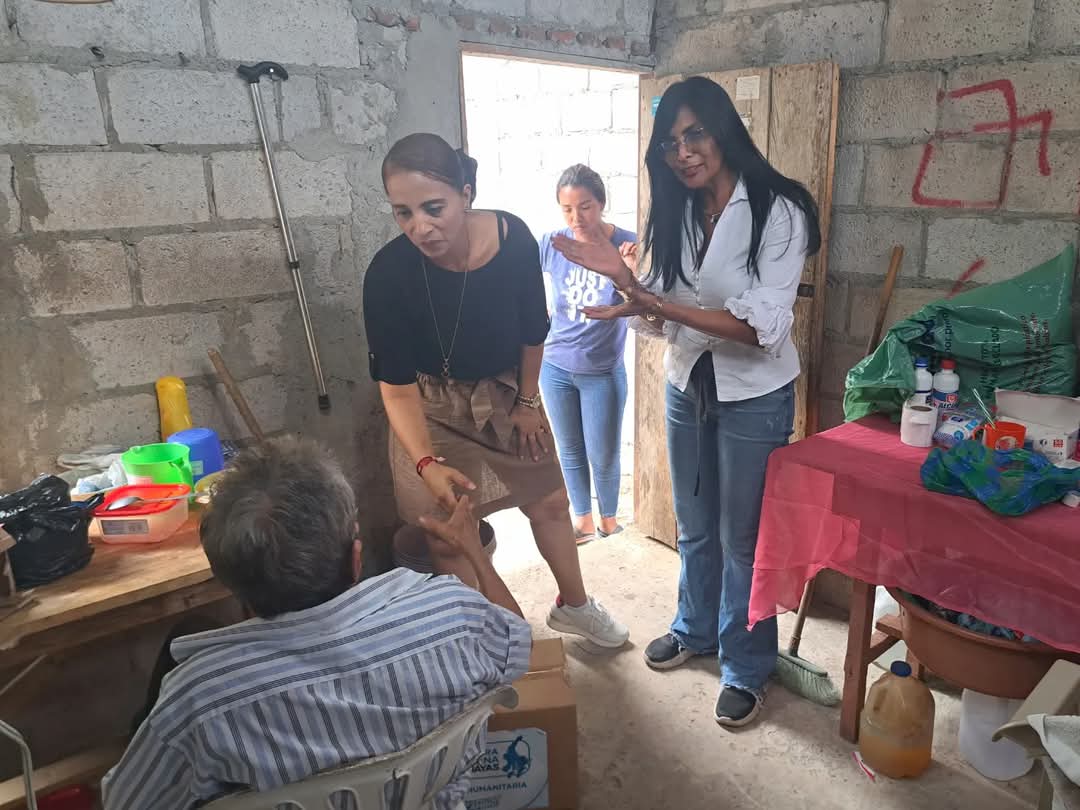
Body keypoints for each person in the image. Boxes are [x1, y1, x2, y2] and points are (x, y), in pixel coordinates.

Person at [553, 76, 821, 727]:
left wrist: (652, 301)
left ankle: (746, 665)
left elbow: (760, 327)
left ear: (724, 128)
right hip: (687, 383)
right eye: (670, 142)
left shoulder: (779, 208)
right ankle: (695, 628)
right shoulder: (676, 210)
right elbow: (662, 308)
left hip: (754, 394)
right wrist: (628, 285)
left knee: (741, 539)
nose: (683, 152)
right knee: (695, 525)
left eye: (694, 133)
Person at [101, 437, 531, 810]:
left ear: (235, 586)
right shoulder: (454, 615)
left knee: (188, 633)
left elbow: (126, 802)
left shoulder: (197, 700)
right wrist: (474, 552)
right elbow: (517, 642)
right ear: (356, 558)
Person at [362, 133, 628, 649]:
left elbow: (533, 332)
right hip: (430, 407)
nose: (420, 227)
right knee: (449, 532)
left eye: (433, 208)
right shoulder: (388, 275)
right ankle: (489, 641)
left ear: (465, 194)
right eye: (403, 213)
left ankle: (574, 606)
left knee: (550, 500)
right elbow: (396, 390)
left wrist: (528, 403)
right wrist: (425, 463)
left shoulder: (513, 241)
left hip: (507, 392)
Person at [539, 165, 637, 544]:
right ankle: (582, 521)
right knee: (569, 449)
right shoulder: (553, 243)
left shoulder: (627, 245)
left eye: (585, 207)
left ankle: (608, 521)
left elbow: (646, 306)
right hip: (555, 366)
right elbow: (523, 284)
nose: (576, 218)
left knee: (604, 453)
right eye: (567, 209)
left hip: (601, 371)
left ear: (602, 204)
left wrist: (629, 274)